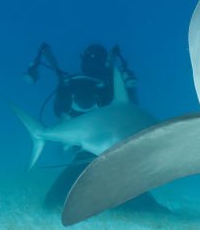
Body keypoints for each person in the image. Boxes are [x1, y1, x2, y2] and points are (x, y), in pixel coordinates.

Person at [23, 42, 167, 214]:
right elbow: (60, 109)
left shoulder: (106, 88)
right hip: (90, 149)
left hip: (112, 143)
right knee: (54, 202)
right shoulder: (74, 84)